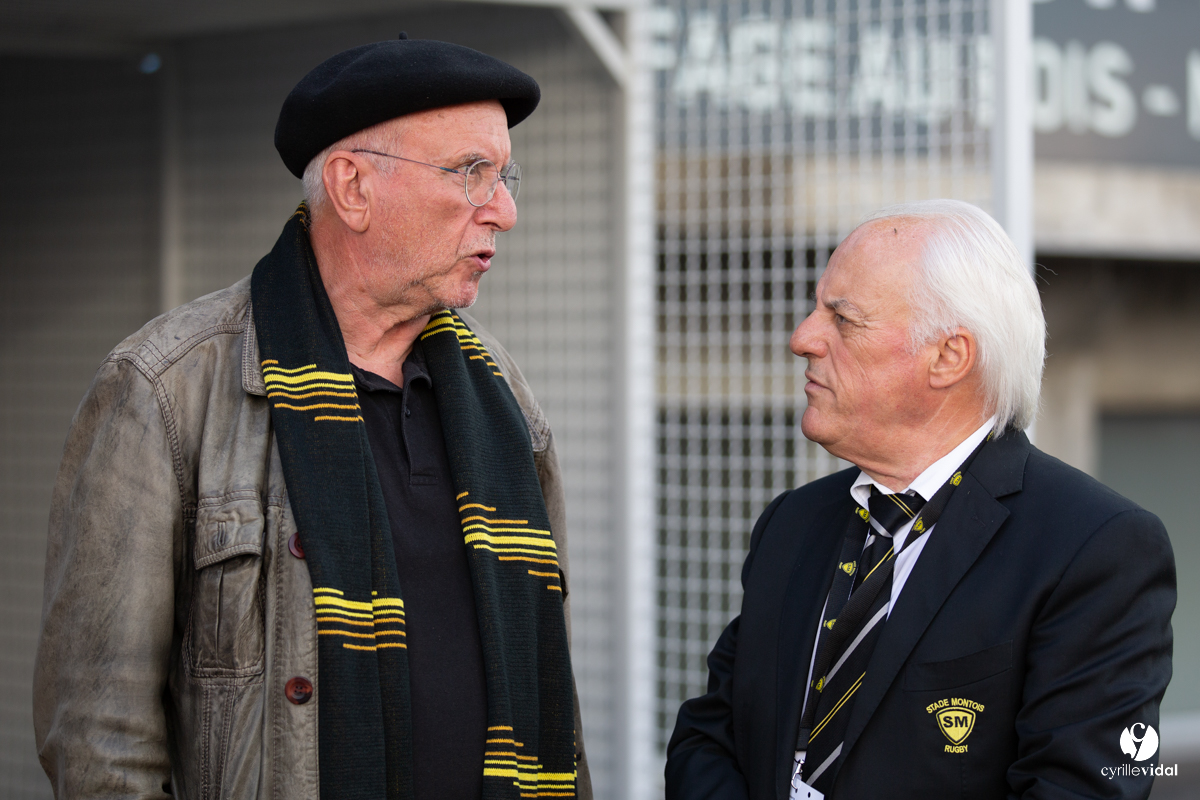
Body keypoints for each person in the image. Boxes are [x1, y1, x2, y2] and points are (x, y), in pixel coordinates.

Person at [34, 37, 590, 800]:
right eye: (472, 174)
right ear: (353, 187)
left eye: (505, 176)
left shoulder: (505, 401)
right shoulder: (162, 390)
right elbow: (100, 742)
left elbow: (553, 703)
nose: (506, 210)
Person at [665, 199, 1175, 800]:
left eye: (842, 318)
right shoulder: (793, 523)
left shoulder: (1096, 548)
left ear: (948, 357)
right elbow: (711, 735)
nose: (802, 337)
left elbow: (1085, 786)